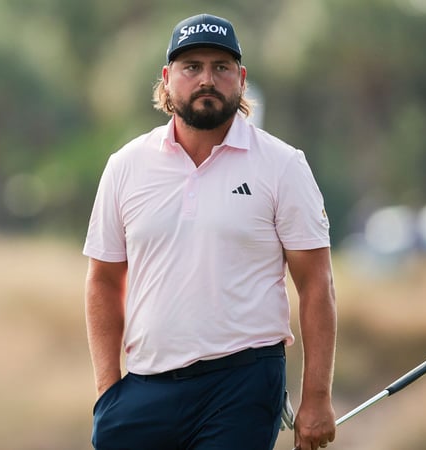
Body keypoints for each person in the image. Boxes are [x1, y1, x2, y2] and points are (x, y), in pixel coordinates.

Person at [83, 13, 337, 450]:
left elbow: (316, 285)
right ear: (167, 78)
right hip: (145, 386)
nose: (206, 79)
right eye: (192, 67)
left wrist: (316, 398)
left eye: (220, 68)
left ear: (240, 79)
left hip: (243, 383)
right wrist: (109, 392)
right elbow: (103, 280)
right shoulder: (125, 166)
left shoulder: (282, 165)